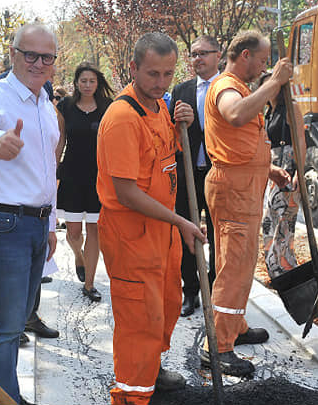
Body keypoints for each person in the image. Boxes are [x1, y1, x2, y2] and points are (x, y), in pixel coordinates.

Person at [97, 32, 207, 405]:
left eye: (167, 74)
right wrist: (180, 222)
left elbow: (168, 157)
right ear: (133, 69)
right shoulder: (122, 119)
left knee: (164, 307)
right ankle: (131, 395)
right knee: (138, 320)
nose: (161, 84)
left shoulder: (160, 108)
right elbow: (127, 192)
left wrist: (183, 125)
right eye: (152, 74)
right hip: (131, 237)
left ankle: (151, 371)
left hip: (161, 233)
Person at [0, 23, 60, 405]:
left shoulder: (44, 105)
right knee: (4, 325)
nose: (38, 63)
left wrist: (50, 224)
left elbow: (47, 170)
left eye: (46, 57)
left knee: (17, 320)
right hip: (1, 223)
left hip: (34, 224)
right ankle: (5, 401)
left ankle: (7, 397)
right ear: (12, 53)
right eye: (30, 54)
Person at [201, 30, 293, 377]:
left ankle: (233, 325)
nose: (265, 66)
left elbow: (236, 140)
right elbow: (236, 116)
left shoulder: (240, 86)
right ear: (244, 56)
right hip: (234, 190)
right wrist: (274, 85)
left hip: (245, 186)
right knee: (234, 267)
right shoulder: (226, 87)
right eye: (262, 59)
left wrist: (267, 169)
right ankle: (219, 347)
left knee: (237, 262)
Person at [170, 35, 222, 317]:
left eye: (203, 53)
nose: (197, 59)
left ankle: (214, 292)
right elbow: (170, 131)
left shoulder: (228, 89)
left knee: (217, 236)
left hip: (218, 174)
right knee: (187, 232)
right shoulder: (182, 90)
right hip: (187, 173)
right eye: (193, 54)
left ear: (218, 54)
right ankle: (189, 291)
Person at [57, 62, 114, 302]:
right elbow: (60, 141)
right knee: (73, 233)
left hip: (98, 176)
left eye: (92, 81)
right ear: (76, 83)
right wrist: (53, 169)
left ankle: (89, 285)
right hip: (71, 174)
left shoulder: (109, 107)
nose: (88, 85)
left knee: (94, 230)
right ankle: (78, 256)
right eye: (83, 81)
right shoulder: (65, 107)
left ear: (98, 83)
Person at [259, 71, 307, 279]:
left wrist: (299, 171)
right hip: (272, 167)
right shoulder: (269, 111)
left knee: (284, 220)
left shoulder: (291, 107)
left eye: (272, 84)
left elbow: (300, 141)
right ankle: (274, 265)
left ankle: (284, 267)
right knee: (270, 218)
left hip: (288, 166)